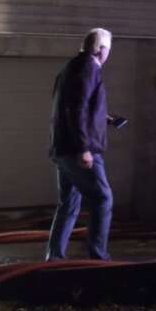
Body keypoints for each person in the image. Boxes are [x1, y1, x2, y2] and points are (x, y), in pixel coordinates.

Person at [47, 27, 126, 261]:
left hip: (62, 148)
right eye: (108, 50)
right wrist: (83, 148)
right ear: (101, 49)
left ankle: (54, 259)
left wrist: (106, 118)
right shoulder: (90, 68)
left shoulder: (69, 68)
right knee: (103, 198)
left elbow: (71, 105)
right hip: (78, 149)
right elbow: (77, 107)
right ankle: (98, 257)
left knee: (69, 204)